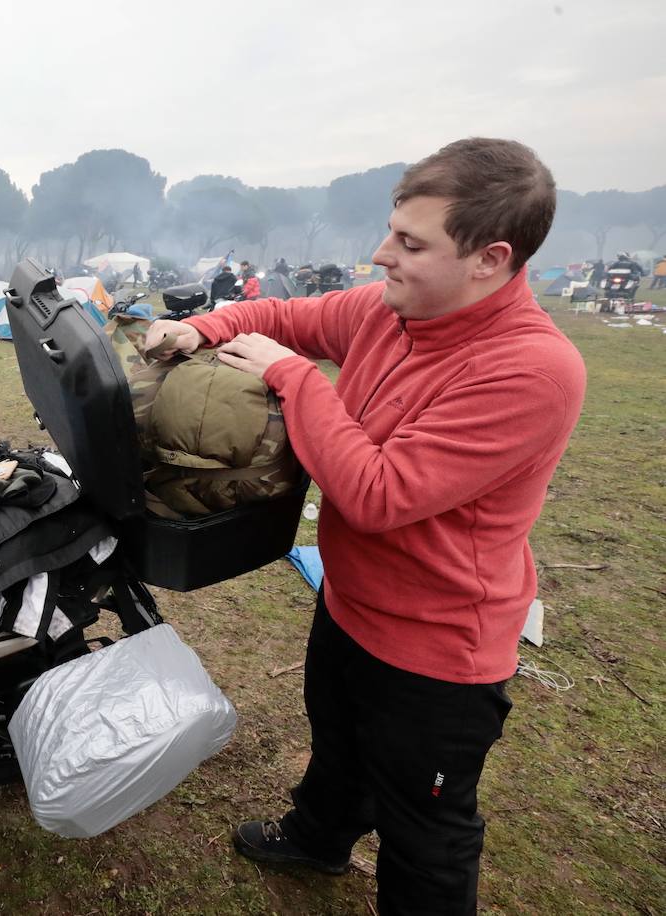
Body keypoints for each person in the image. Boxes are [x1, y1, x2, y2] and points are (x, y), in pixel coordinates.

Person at [144, 138, 585, 915]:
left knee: (428, 831)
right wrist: (207, 328)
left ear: (490, 259)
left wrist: (288, 375)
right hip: (353, 602)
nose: (381, 255)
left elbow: (379, 492)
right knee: (339, 745)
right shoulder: (395, 308)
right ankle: (318, 839)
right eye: (391, 231)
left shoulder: (531, 369)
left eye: (411, 243)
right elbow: (283, 313)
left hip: (437, 652)